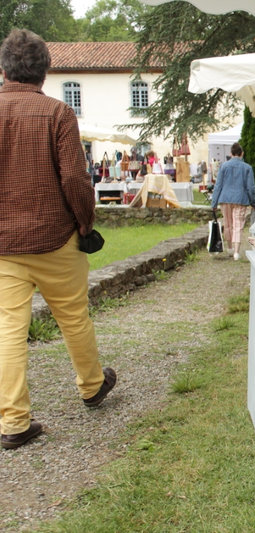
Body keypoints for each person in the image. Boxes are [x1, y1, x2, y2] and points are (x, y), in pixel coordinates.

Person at [0, 29, 116, 450]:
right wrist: (85, 224)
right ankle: (91, 385)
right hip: (55, 236)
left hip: (3, 246)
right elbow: (74, 178)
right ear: (45, 72)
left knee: (9, 329)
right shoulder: (58, 113)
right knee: (73, 316)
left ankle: (14, 421)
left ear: (3, 69)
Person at [211, 142, 255, 261]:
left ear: (231, 153)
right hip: (240, 199)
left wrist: (214, 203)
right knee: (238, 225)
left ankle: (230, 248)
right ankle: (236, 252)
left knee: (228, 224)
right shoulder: (247, 167)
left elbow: (218, 185)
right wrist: (254, 203)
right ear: (242, 153)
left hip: (225, 198)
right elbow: (250, 187)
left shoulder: (224, 166)